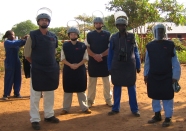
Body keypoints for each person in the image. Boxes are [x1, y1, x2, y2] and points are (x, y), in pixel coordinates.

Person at [24, 11, 59, 130]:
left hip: (50, 69)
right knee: (35, 95)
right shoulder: (32, 35)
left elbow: (53, 52)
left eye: (46, 20)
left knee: (50, 93)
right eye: (42, 20)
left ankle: (49, 115)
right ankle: (35, 119)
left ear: (49, 22)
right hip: (37, 70)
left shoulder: (53, 36)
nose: (44, 21)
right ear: (38, 22)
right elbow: (27, 54)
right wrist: (37, 64)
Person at [144, 23, 181, 127]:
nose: (159, 33)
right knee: (155, 96)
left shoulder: (170, 45)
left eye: (161, 31)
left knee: (167, 97)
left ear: (164, 32)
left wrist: (175, 76)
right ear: (154, 32)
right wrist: (145, 74)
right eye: (158, 31)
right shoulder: (150, 46)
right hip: (153, 76)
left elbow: (175, 62)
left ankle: (168, 117)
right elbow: (147, 62)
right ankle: (157, 115)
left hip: (167, 76)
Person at [107, 18, 141, 117]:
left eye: (123, 25)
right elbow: (110, 53)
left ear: (126, 26)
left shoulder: (132, 36)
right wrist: (109, 67)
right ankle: (115, 108)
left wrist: (138, 65)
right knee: (117, 86)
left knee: (131, 87)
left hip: (130, 66)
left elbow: (136, 51)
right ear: (117, 26)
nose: (121, 27)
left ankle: (135, 109)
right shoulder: (113, 37)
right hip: (117, 66)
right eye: (119, 25)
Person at [60, 27, 91, 115]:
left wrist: (77, 65)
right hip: (68, 70)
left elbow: (85, 58)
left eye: (74, 34)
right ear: (69, 35)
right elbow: (62, 59)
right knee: (67, 89)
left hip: (80, 70)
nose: (73, 35)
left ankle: (85, 108)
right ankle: (65, 108)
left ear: (77, 35)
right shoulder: (65, 45)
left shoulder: (82, 45)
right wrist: (71, 65)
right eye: (71, 34)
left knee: (81, 89)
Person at [85, 17, 112, 107]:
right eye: (96, 23)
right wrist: (94, 56)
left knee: (107, 82)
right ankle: (90, 101)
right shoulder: (89, 35)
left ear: (102, 24)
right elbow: (87, 47)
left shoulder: (108, 34)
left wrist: (100, 55)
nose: (98, 24)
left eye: (100, 23)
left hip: (105, 62)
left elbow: (110, 48)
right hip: (93, 62)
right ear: (94, 24)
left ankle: (108, 100)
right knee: (92, 83)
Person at [2, 30, 27, 100]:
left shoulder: (15, 42)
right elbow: (15, 43)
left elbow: (22, 43)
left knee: (18, 78)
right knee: (9, 78)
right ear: (8, 36)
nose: (13, 36)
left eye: (14, 35)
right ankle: (6, 94)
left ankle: (17, 93)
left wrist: (27, 39)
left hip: (16, 61)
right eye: (12, 35)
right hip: (10, 62)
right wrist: (23, 39)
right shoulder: (7, 42)